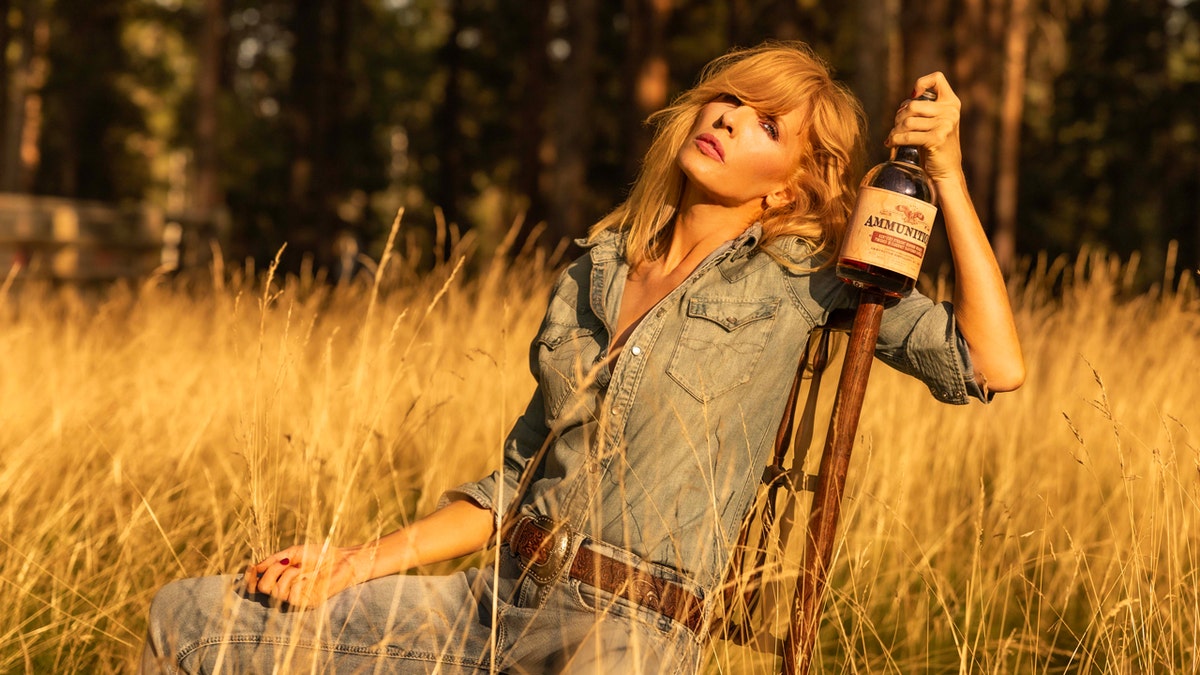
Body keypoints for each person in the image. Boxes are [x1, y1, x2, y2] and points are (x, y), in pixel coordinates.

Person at [140, 41, 1024, 674]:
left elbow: (991, 364)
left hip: (631, 630)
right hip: (496, 601)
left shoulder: (804, 278)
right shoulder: (598, 267)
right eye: (727, 98)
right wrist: (355, 560)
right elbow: (514, 481)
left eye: (764, 123)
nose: (725, 117)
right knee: (188, 618)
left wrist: (942, 174)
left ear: (786, 184)